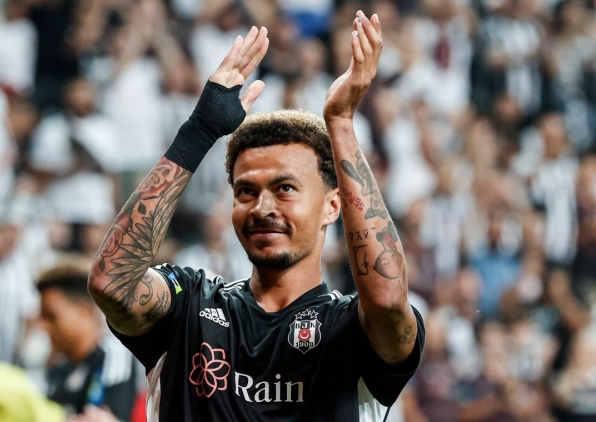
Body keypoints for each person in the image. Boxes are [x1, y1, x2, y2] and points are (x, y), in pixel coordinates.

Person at [88, 10, 425, 421]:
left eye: (285, 189)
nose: (262, 208)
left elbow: (388, 301)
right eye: (246, 191)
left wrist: (340, 124)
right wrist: (199, 131)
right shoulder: (189, 305)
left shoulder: (352, 326)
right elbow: (111, 283)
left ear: (332, 206)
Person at [37, 264, 137, 421]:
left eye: (51, 316)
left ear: (83, 311)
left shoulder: (113, 355)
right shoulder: (58, 369)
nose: (43, 326)